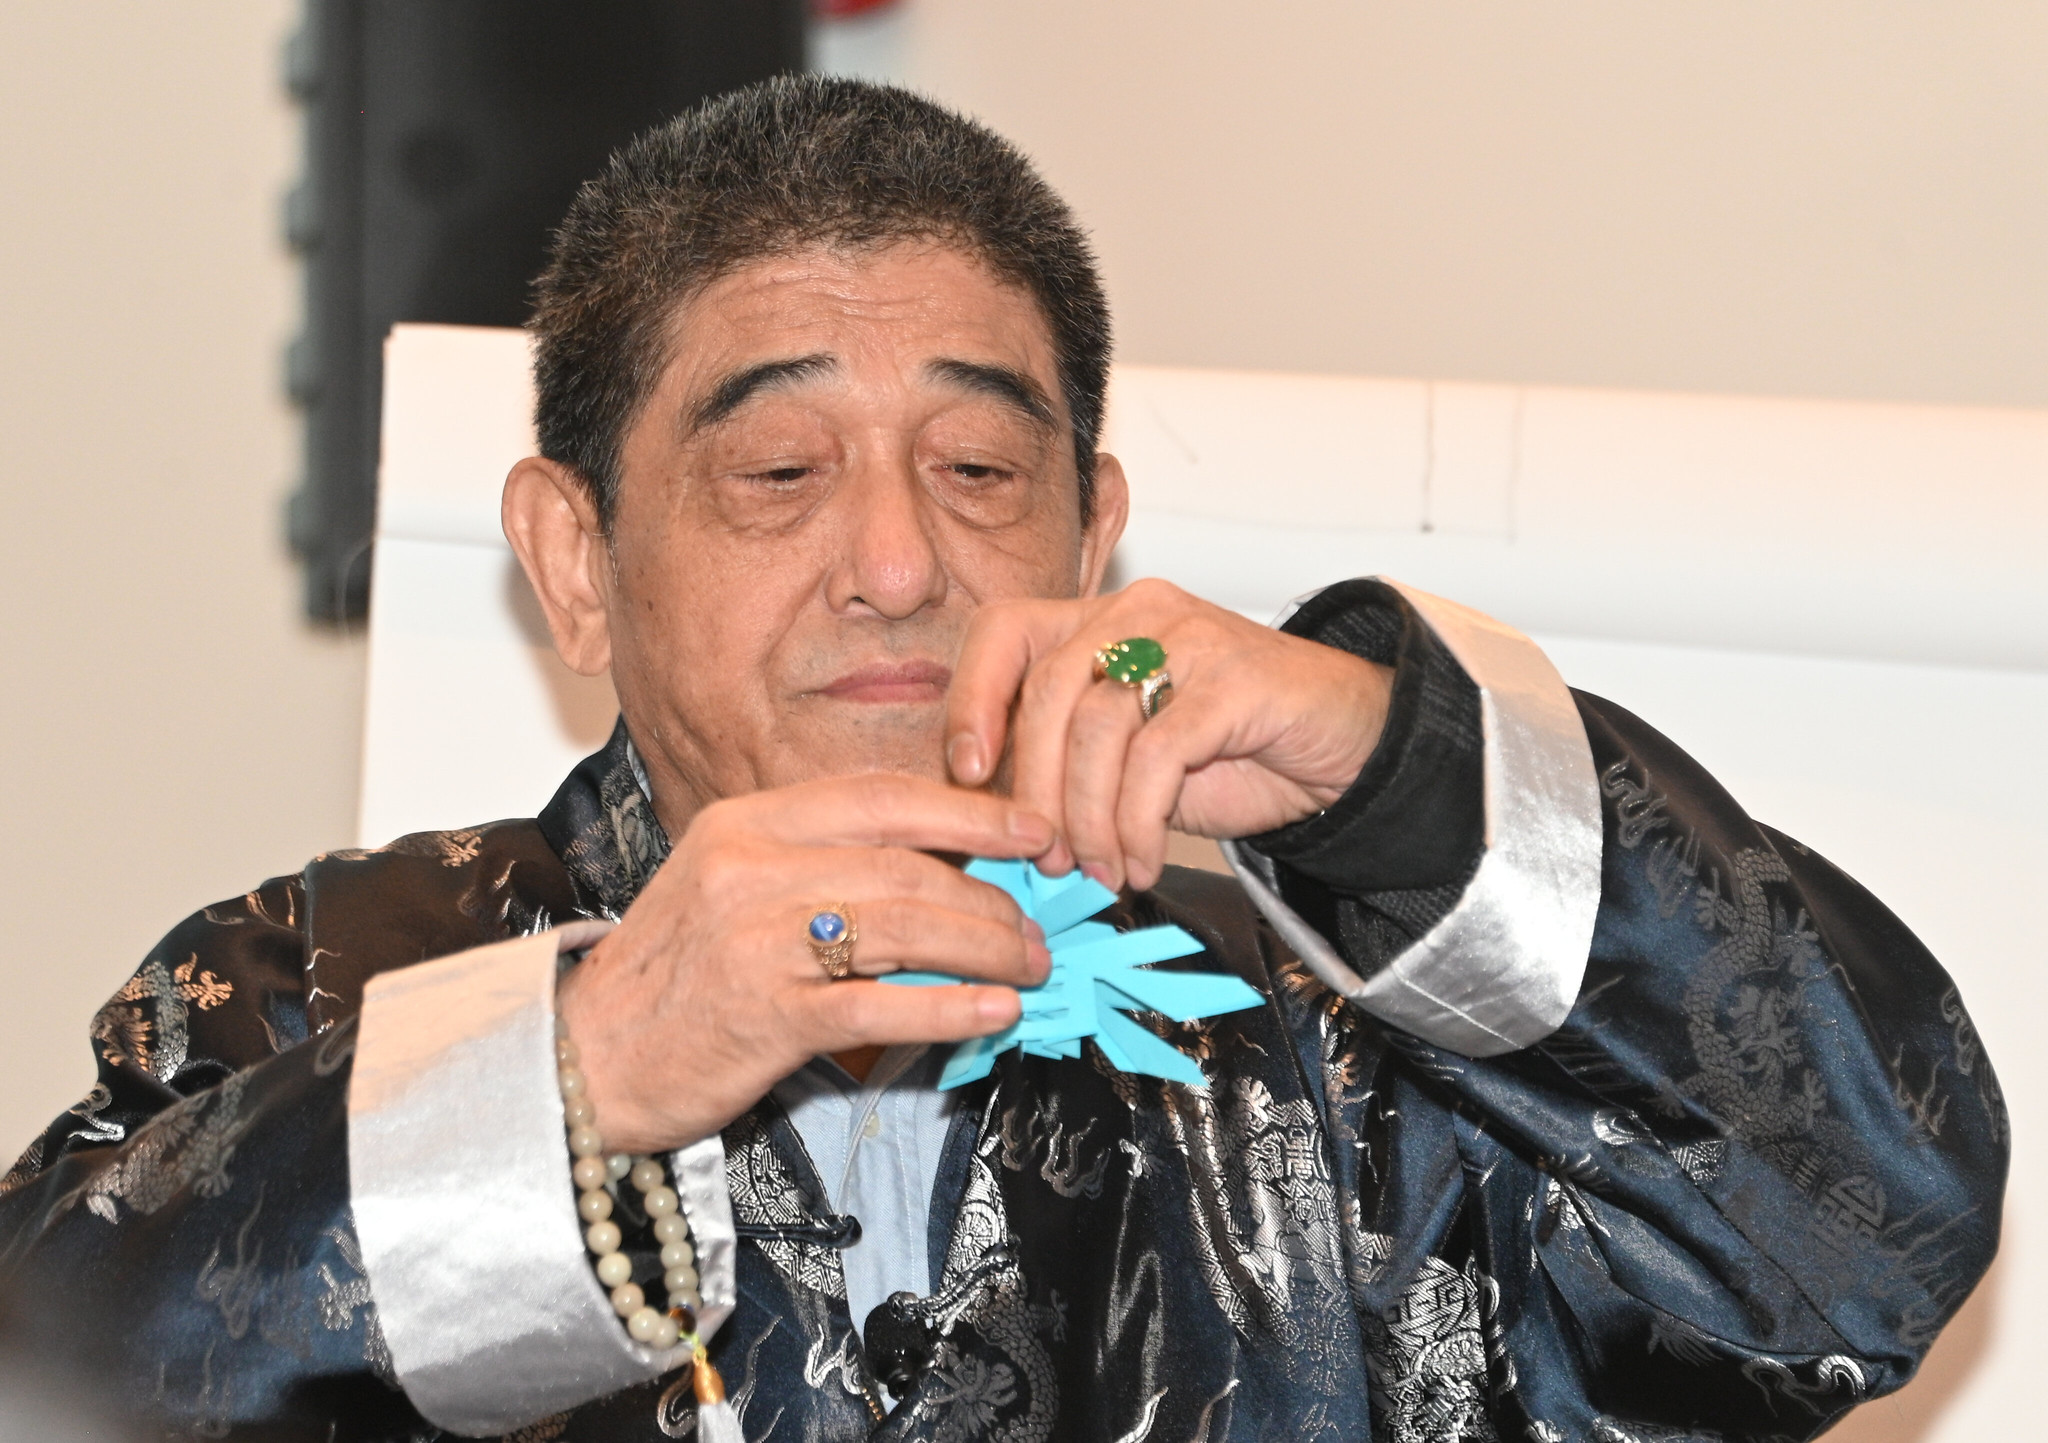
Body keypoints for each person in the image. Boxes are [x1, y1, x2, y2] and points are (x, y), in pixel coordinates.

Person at [0, 77, 2004, 1443]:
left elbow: (1864, 1236)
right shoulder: (315, 990)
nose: (896, 561)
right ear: (575, 559)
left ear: (1089, 533)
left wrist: (1390, 769)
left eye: (977, 467)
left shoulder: (1338, 1056)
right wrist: (580, 1074)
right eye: (778, 470)